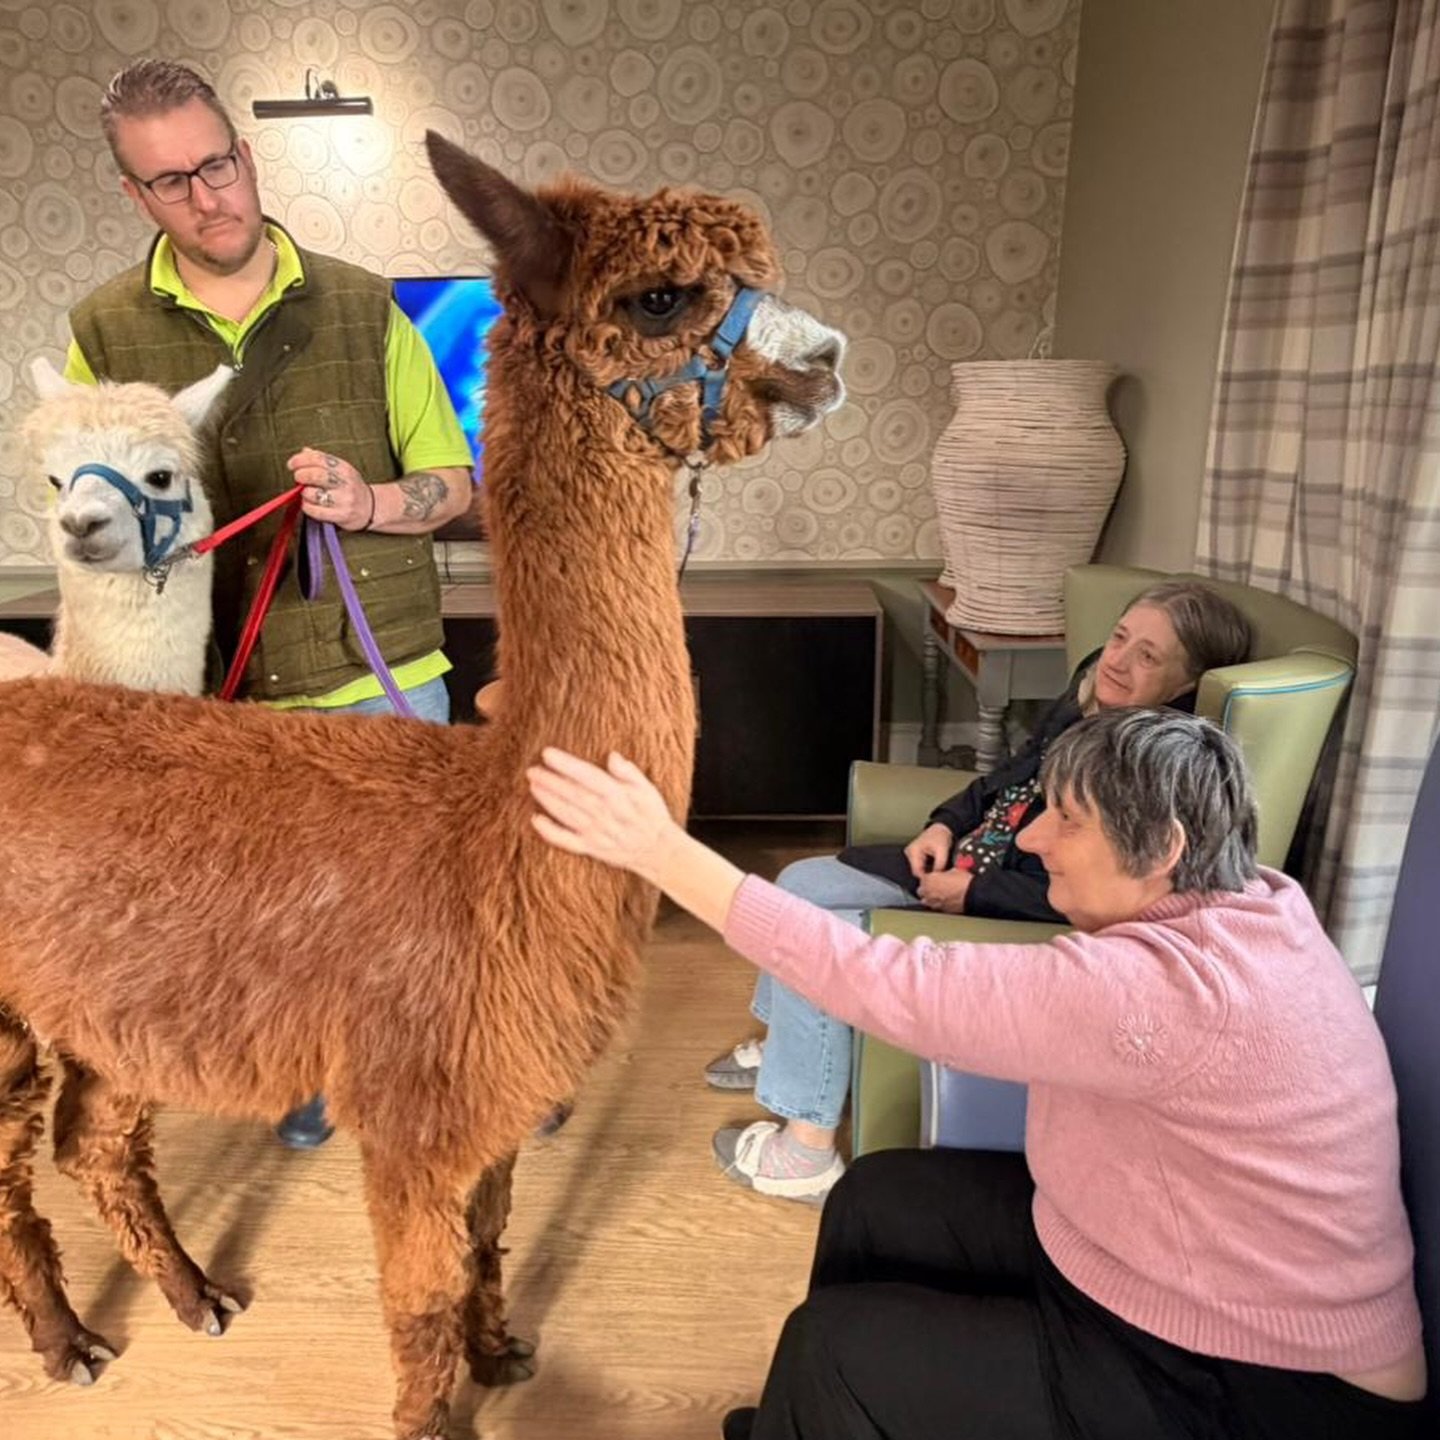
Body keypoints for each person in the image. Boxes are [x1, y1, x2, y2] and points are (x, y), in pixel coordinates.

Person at [526, 711, 1427, 1440]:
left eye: (1067, 819)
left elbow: (890, 986)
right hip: (1163, 1271)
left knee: (837, 1347)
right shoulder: (1254, 897)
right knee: (878, 1196)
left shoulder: (1168, 991)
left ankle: (830, 1397)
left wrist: (660, 851)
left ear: (1162, 849)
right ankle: (824, 1421)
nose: (1033, 836)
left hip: (1265, 1382)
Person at [67, 60, 475, 1147]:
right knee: (260, 927)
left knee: (416, 917)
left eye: (217, 163)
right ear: (135, 196)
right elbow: (78, 509)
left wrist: (369, 497)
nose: (208, 197)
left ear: (246, 154)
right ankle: (302, 1081)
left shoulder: (364, 303)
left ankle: (426, 1089)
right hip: (219, 701)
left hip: (377, 672)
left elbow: (454, 485)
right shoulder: (101, 333)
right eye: (171, 182)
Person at [703, 581, 1252, 1203]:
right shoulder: (1086, 697)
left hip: (1004, 901)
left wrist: (974, 892)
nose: (1118, 661)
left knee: (821, 936)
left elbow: (1097, 896)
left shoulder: (1147, 771)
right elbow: (1005, 778)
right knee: (799, 884)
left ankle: (803, 1152)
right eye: (1120, 637)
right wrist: (945, 822)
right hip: (965, 858)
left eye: (1148, 656)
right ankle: (793, 1044)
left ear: (1186, 683)